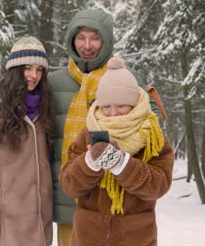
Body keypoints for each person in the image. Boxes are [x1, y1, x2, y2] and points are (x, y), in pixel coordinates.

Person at [47, 9, 164, 246]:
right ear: (71, 39)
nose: (87, 45)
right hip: (68, 193)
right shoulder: (52, 82)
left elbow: (153, 130)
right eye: (81, 37)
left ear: (107, 40)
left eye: (95, 37)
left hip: (118, 198)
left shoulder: (127, 80)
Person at [59, 56, 174, 246]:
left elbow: (158, 185)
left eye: (120, 105)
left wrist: (121, 164)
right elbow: (69, 185)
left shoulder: (152, 135)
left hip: (136, 239)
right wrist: (89, 164)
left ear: (134, 103)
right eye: (106, 106)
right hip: (88, 239)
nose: (112, 113)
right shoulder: (89, 133)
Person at [0, 37, 54, 246]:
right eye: (28, 68)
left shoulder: (44, 107)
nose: (34, 76)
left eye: (40, 70)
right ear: (14, 69)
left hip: (41, 221)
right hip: (7, 219)